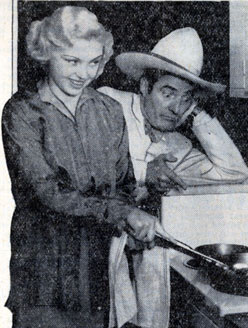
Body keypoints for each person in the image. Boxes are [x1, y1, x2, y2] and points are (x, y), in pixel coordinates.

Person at [2, 6, 161, 328]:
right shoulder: (22, 112)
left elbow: (123, 183)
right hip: (43, 268)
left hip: (97, 266)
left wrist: (131, 213)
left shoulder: (108, 110)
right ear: (46, 54)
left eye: (93, 62)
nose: (83, 73)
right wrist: (121, 214)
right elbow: (47, 193)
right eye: (71, 61)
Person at [98, 28, 248, 198]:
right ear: (145, 86)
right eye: (168, 94)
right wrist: (144, 172)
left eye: (186, 98)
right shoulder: (108, 102)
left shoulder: (179, 147)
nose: (176, 109)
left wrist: (196, 113)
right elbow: (85, 167)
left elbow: (235, 172)